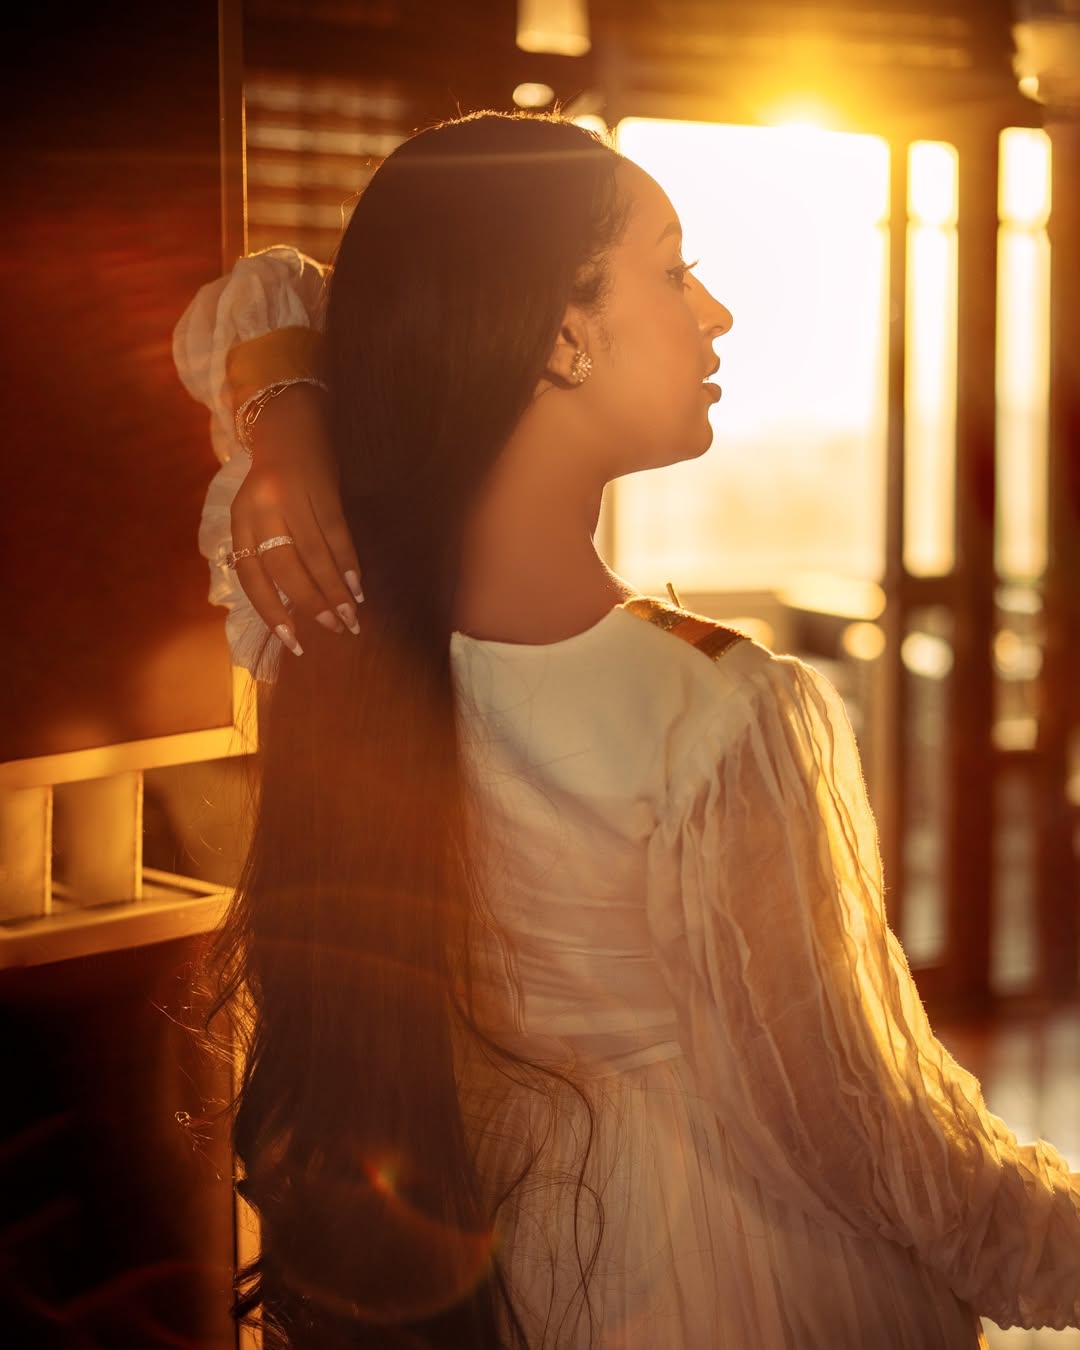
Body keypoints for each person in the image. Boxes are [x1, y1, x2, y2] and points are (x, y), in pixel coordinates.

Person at [174, 112, 1080, 1350]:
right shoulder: (717, 713)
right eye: (672, 267)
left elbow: (264, 299)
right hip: (731, 1286)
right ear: (559, 333)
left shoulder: (322, 612)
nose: (714, 312)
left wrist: (283, 421)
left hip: (490, 1286)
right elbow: (879, 1144)